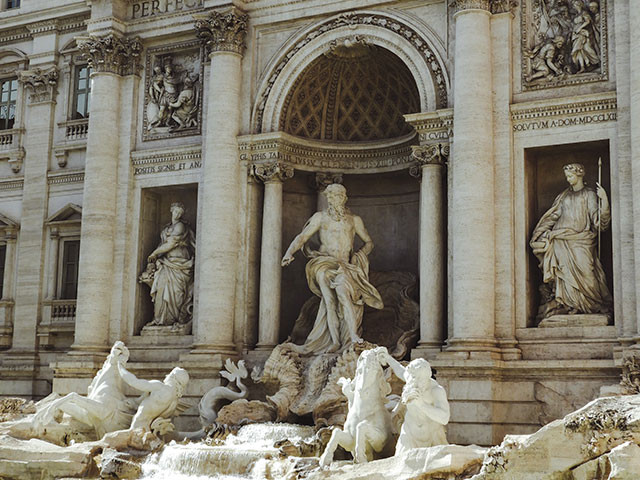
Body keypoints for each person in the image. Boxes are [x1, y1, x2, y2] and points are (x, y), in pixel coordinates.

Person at [281, 184, 383, 354]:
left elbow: (369, 242)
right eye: (329, 196)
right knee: (329, 301)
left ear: (343, 198)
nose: (330, 199)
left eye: (334, 196)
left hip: (344, 265)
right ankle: (335, 341)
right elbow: (302, 237)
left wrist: (359, 256)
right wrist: (289, 252)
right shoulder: (320, 217)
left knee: (343, 294)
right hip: (324, 263)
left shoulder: (354, 220)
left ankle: (353, 335)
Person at [530, 163, 612, 320]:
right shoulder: (564, 196)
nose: (568, 179)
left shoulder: (589, 194)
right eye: (567, 176)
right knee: (563, 275)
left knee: (588, 275)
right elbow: (553, 216)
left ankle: (591, 305)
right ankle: (568, 306)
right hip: (561, 240)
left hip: (582, 241)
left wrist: (604, 201)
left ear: (579, 175)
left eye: (570, 176)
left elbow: (599, 221)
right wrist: (540, 232)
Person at [377, 349, 449, 454]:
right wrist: (388, 358)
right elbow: (401, 371)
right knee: (401, 460)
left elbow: (444, 418)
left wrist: (422, 405)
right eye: (411, 378)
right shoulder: (412, 379)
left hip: (431, 434)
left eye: (415, 379)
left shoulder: (436, 391)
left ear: (425, 377)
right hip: (409, 431)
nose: (411, 381)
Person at [142, 202, 196, 327]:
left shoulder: (180, 226)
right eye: (176, 211)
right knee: (161, 288)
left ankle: (173, 319)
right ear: (171, 210)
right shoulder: (167, 228)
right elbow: (163, 245)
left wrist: (154, 253)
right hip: (167, 263)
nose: (177, 214)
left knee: (177, 293)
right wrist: (157, 258)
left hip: (180, 264)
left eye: (180, 213)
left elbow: (171, 244)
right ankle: (159, 319)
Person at [116, 362, 189, 432]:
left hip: (137, 427)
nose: (167, 376)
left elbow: (134, 382)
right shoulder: (174, 402)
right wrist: (135, 405)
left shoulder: (160, 387)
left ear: (173, 377)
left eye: (170, 374)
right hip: (147, 430)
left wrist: (120, 367)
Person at [570, 0, 599, 73]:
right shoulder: (576, 15)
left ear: (579, 5)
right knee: (579, 50)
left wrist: (580, 28)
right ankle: (582, 66)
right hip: (576, 34)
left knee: (585, 48)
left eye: (575, 5)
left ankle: (595, 62)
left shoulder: (584, 13)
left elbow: (588, 21)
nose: (574, 7)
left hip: (582, 33)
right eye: (573, 5)